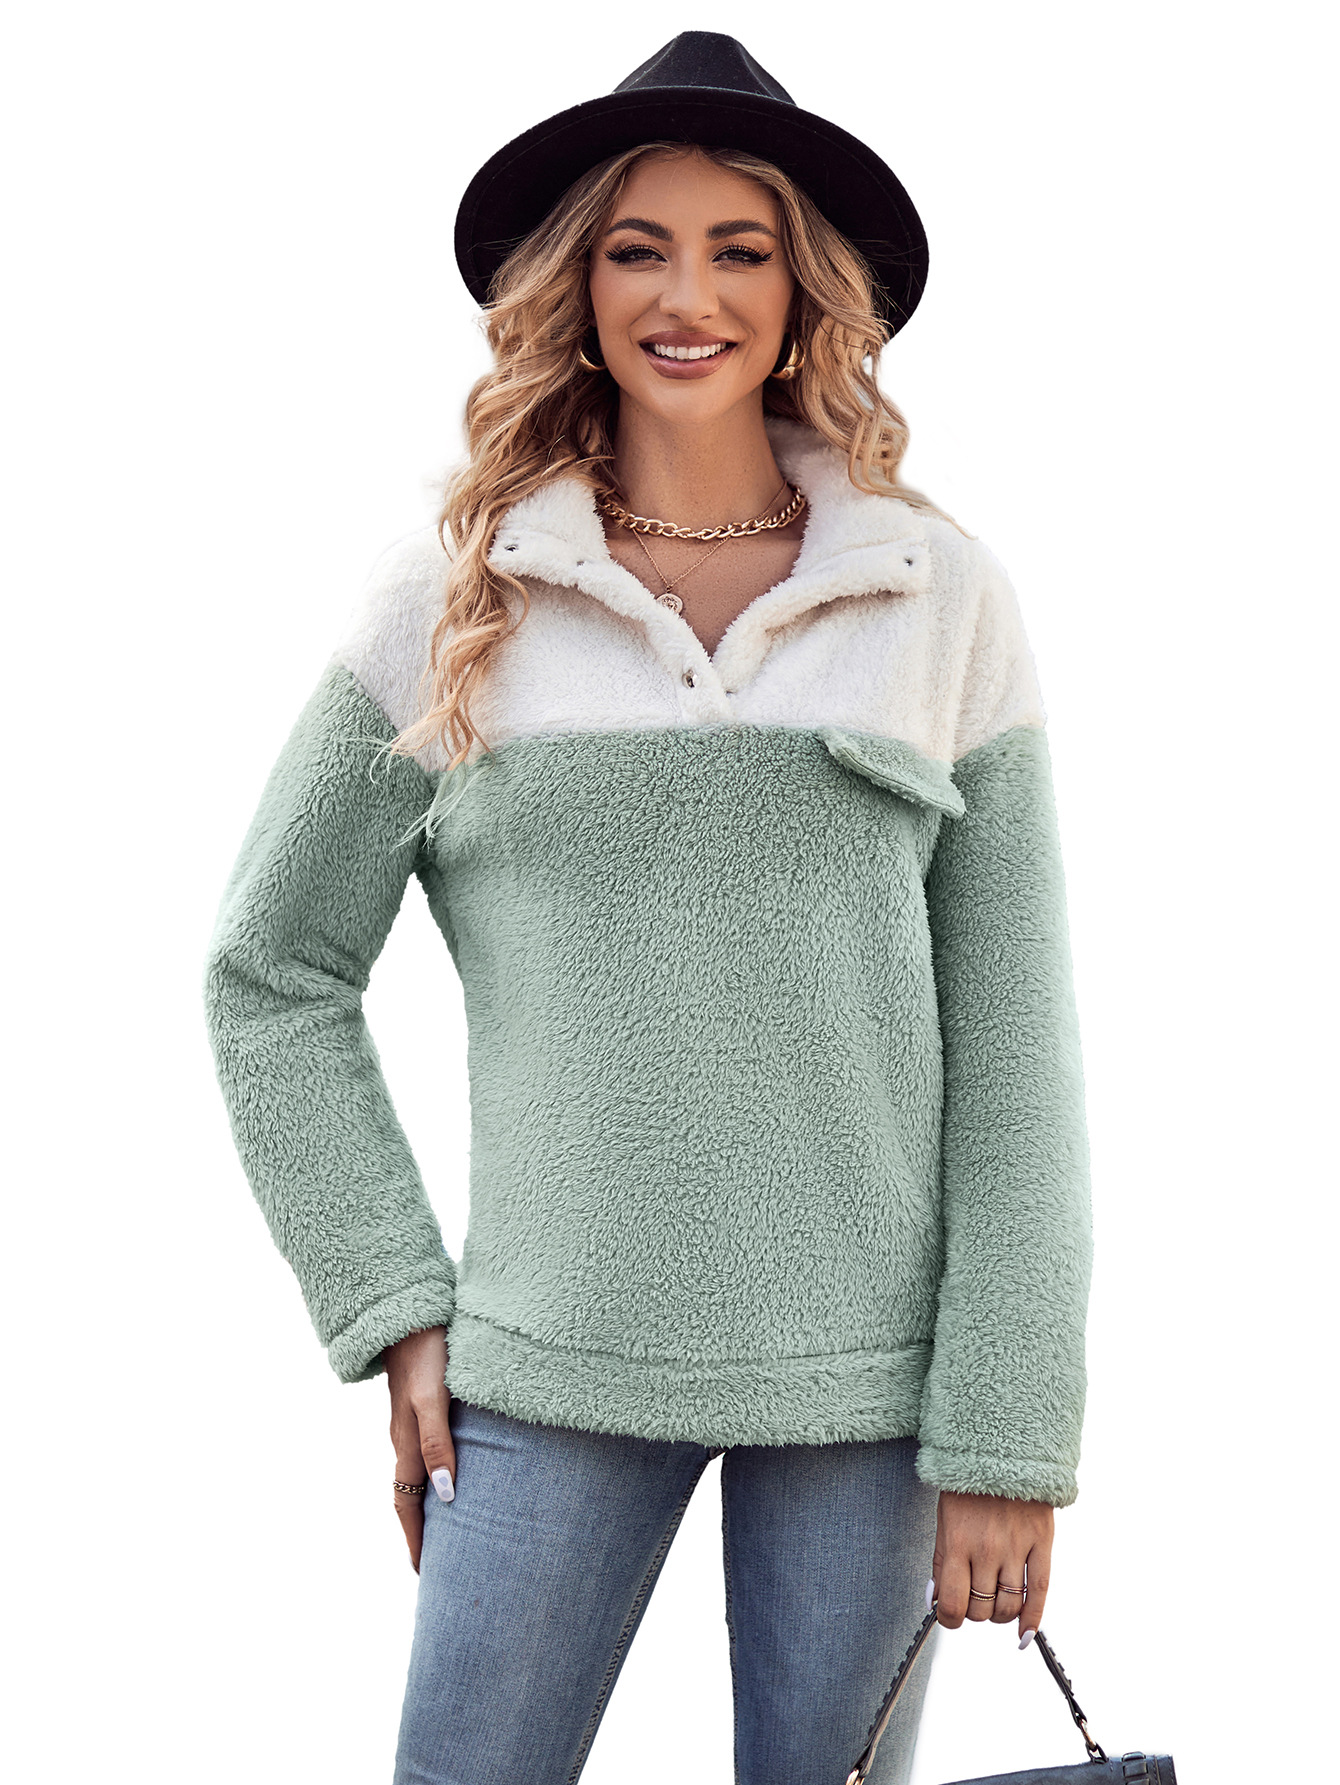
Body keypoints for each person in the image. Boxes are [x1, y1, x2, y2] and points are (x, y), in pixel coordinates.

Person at [204, 32, 1093, 1785]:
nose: (689, 297)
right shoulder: (459, 593)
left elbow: (1016, 1048)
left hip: (872, 1396)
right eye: (638, 249)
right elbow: (270, 968)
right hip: (543, 1371)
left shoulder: (934, 593)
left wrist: (1010, 1428)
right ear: (577, 287)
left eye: (740, 250)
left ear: (805, 289)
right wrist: (392, 1302)